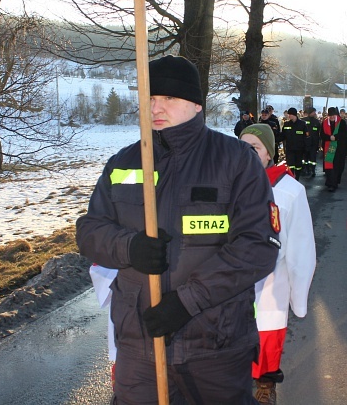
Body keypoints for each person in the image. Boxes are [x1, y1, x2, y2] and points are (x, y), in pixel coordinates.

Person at [76, 55, 281, 405]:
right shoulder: (124, 162)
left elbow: (258, 246)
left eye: (168, 98)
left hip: (215, 345)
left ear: (196, 104)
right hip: (140, 345)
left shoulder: (235, 160)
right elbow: (90, 231)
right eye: (150, 98)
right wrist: (128, 248)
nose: (156, 107)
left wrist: (187, 302)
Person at [239, 124, 316, 405]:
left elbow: (301, 243)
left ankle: (266, 383)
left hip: (272, 280)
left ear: (269, 155)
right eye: (242, 146)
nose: (247, 153)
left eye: (255, 148)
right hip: (232, 280)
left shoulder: (289, 190)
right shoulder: (224, 183)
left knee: (268, 336)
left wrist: (299, 295)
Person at [320, 106, 347, 192]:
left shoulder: (342, 122)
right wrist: (329, 137)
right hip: (328, 147)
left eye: (333, 115)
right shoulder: (324, 123)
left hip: (339, 148)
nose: (332, 117)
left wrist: (335, 137)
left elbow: (344, 134)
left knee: (337, 166)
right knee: (329, 167)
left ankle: (335, 181)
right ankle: (331, 183)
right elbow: (322, 134)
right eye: (330, 116)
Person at [279, 107, 309, 180]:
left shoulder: (302, 124)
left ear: (294, 115)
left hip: (299, 149)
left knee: (298, 165)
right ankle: (292, 178)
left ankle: (297, 178)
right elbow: (283, 136)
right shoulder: (286, 124)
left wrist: (306, 148)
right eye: (288, 114)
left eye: (290, 114)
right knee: (290, 165)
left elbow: (307, 136)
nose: (289, 116)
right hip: (289, 149)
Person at [301, 107, 321, 178]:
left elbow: (319, 133)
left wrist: (319, 143)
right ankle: (305, 169)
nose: (314, 113)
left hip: (314, 143)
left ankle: (312, 170)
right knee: (305, 157)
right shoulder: (303, 121)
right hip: (305, 143)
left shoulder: (317, 122)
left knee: (313, 158)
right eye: (313, 112)